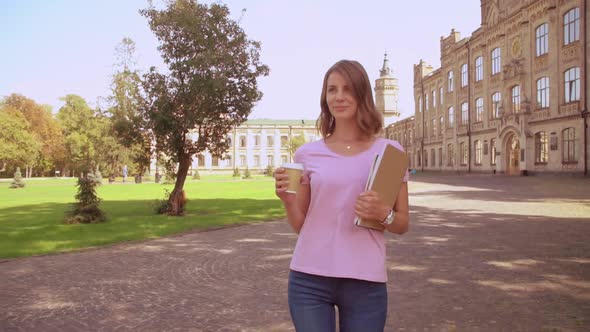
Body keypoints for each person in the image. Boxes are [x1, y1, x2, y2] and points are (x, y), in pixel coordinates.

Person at [274, 59, 410, 332]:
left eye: (347, 89)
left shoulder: (390, 152)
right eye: (332, 89)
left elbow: (402, 224)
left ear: (363, 95)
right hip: (309, 278)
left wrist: (383, 214)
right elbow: (302, 225)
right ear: (325, 98)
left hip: (365, 281)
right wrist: (288, 201)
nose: (339, 96)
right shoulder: (307, 154)